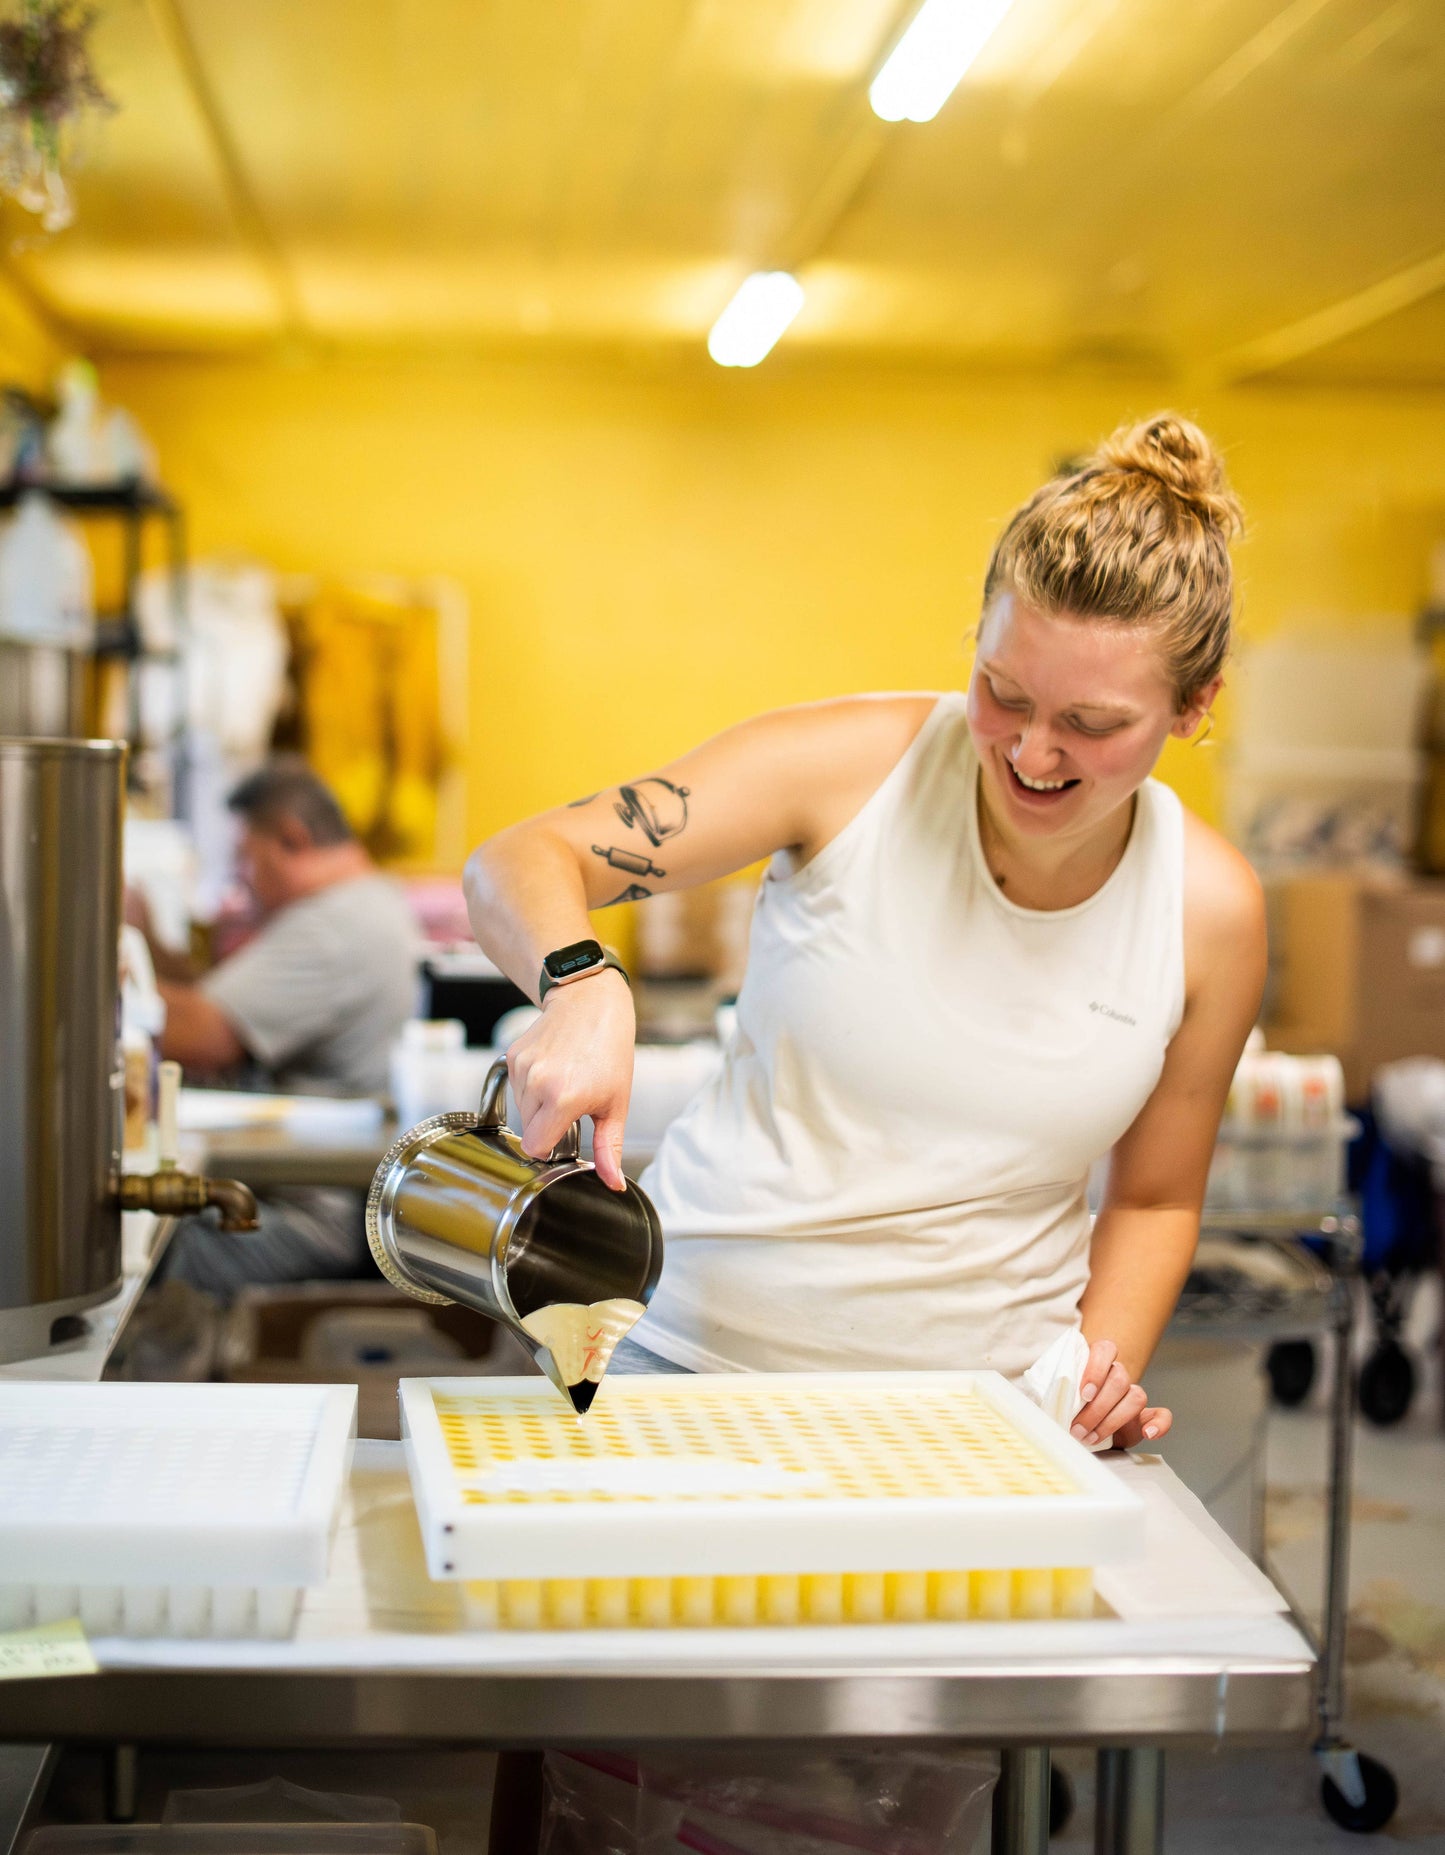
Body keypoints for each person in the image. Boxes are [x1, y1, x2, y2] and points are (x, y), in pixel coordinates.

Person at [464, 412, 1267, 1451]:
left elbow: (1155, 1200)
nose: (1028, 751)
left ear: (1192, 708)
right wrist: (582, 985)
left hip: (985, 1416)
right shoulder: (845, 768)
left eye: (1091, 724)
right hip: (683, 1364)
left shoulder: (1208, 911)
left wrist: (1091, 1379)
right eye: (1002, 691)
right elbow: (519, 861)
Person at [135, 759, 418, 1298]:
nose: (242, 880)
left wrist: (85, 967)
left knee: (135, 1251)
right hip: (319, 1188)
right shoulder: (368, 901)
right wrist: (144, 939)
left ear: (293, 838)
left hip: (310, 1211)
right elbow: (210, 997)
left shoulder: (334, 926)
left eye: (246, 858)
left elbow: (202, 1034)